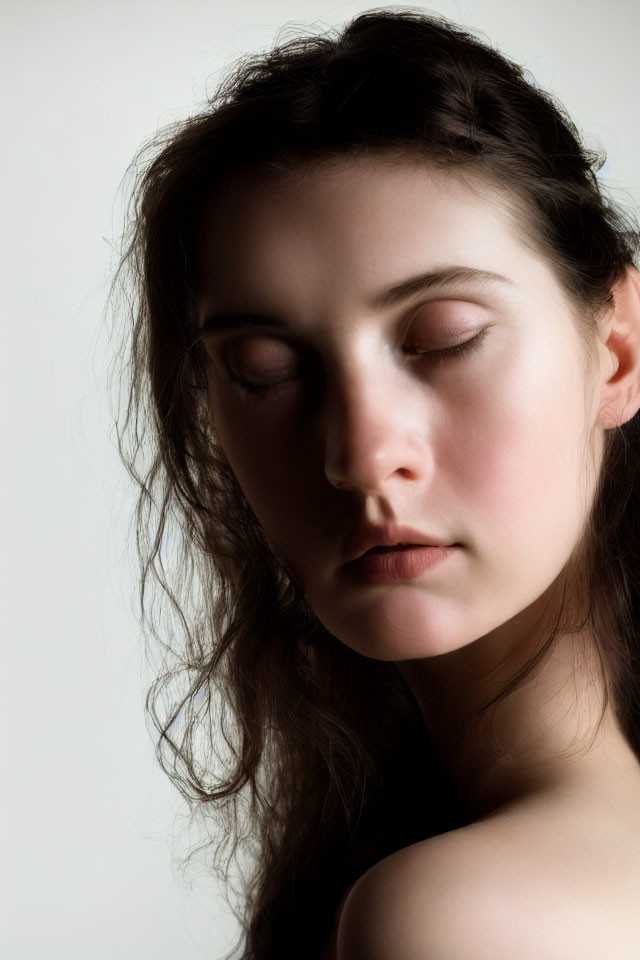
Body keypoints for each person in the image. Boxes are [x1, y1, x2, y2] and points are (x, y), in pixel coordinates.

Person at [110, 8, 640, 958]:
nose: (358, 456)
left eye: (443, 340)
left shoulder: (459, 918)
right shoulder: (423, 844)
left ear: (616, 349)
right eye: (266, 370)